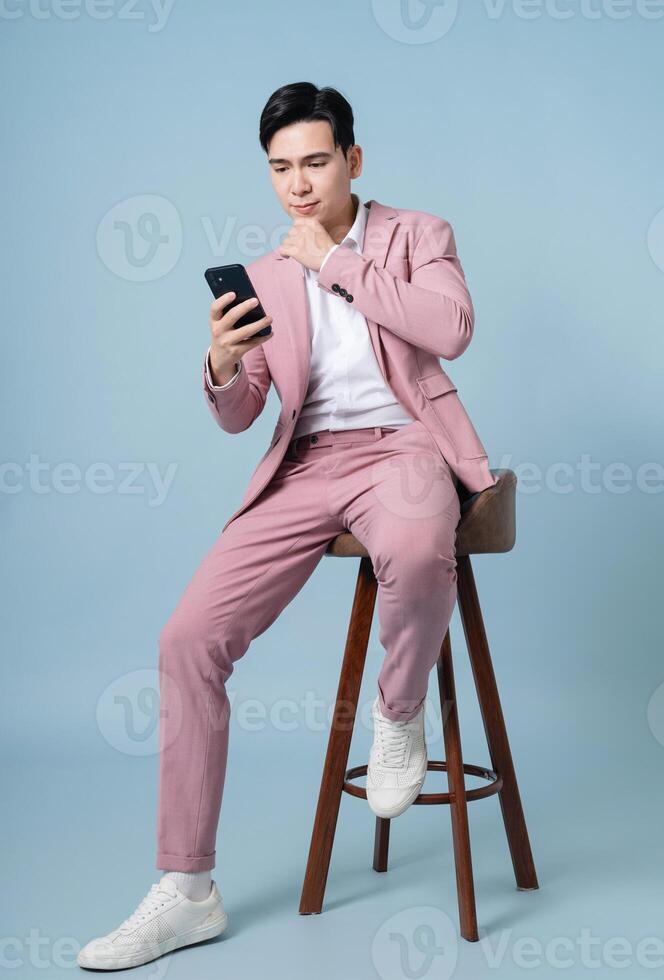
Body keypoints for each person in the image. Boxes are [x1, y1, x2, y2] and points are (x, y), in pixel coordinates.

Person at [77, 81, 496, 971]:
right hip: (304, 464)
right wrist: (222, 364)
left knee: (422, 542)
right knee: (187, 638)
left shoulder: (419, 235)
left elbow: (451, 328)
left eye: (314, 162)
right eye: (279, 169)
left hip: (404, 449)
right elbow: (244, 416)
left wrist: (337, 265)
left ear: (353, 157)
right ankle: (188, 890)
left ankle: (398, 713)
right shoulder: (265, 274)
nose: (298, 185)